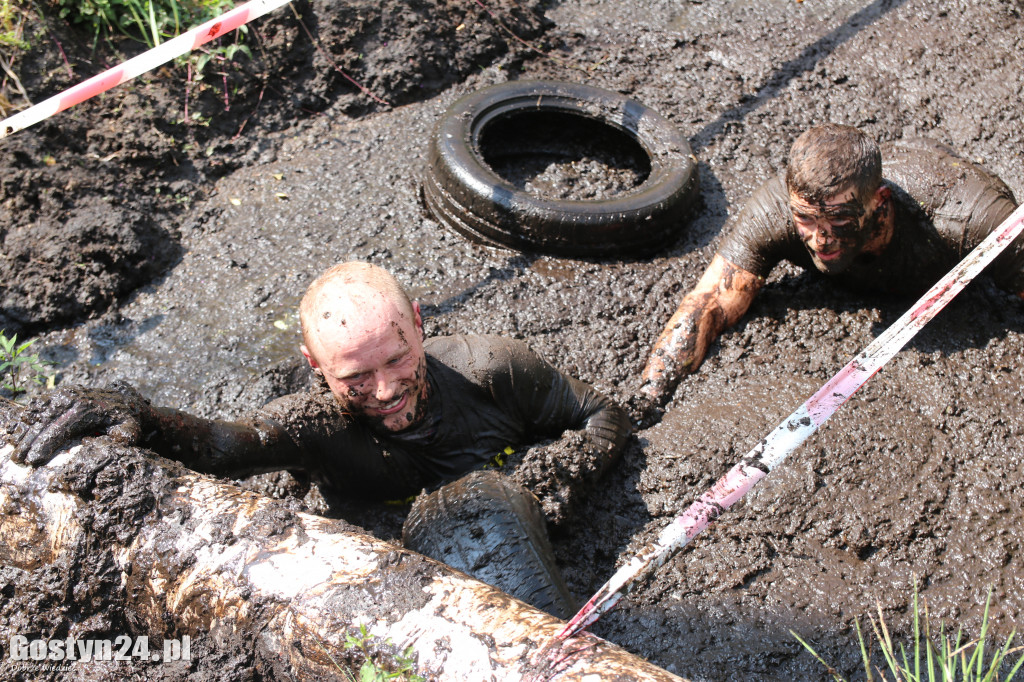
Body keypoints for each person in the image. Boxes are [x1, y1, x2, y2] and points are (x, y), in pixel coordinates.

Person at [12, 261, 631, 526]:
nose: (386, 390)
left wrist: (549, 483)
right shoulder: (314, 428)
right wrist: (136, 414)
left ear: (419, 324)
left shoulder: (494, 369)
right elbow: (224, 446)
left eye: (398, 358)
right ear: (314, 365)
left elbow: (605, 415)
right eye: (354, 378)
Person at [640, 123, 1024, 406]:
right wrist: (652, 389)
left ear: (881, 202)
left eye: (839, 222)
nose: (820, 239)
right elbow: (708, 301)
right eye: (806, 220)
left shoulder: (972, 222)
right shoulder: (775, 212)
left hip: (941, 194)